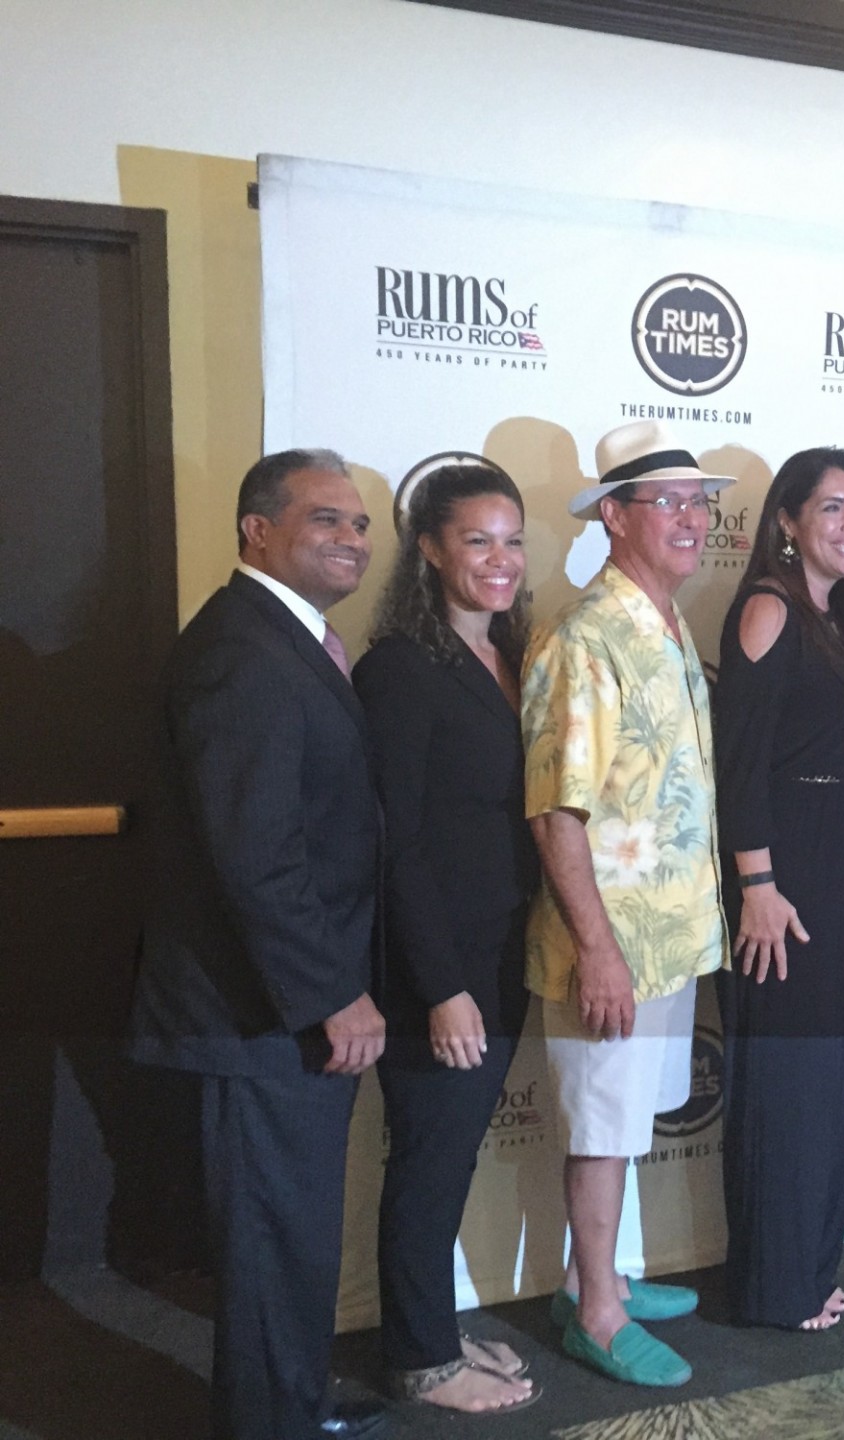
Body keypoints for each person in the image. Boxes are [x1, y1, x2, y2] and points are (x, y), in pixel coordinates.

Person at [128, 449, 390, 1440]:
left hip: (281, 1008)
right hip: (261, 1013)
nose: (352, 541)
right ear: (258, 531)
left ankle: (294, 1402)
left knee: (293, 1235)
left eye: (360, 524)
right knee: (272, 1238)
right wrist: (332, 992)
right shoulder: (242, 651)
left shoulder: (289, 641)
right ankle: (273, 1421)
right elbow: (257, 854)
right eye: (327, 521)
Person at [520, 422, 732, 1388]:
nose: (692, 520)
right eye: (668, 504)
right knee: (603, 1132)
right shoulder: (584, 636)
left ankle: (590, 1274)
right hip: (608, 948)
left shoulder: (664, 620)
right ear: (613, 516)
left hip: (669, 939)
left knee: (627, 1122)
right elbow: (557, 813)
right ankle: (597, 1314)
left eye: (700, 503)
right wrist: (596, 949)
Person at [352, 461, 541, 1413]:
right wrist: (440, 987)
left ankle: (431, 1327)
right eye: (477, 540)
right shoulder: (398, 668)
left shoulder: (510, 654)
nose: (500, 560)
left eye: (512, 540)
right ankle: (420, 1359)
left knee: (452, 1155)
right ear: (428, 548)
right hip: (442, 968)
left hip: (503, 949)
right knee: (428, 1159)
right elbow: (398, 842)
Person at [715, 446, 844, 1331]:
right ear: (786, 521)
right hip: (784, 881)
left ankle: (809, 1264)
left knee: (826, 1082)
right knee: (786, 1084)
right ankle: (774, 1287)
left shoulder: (839, 614)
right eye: (831, 508)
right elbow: (738, 765)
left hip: (841, 866)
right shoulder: (768, 609)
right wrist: (758, 885)